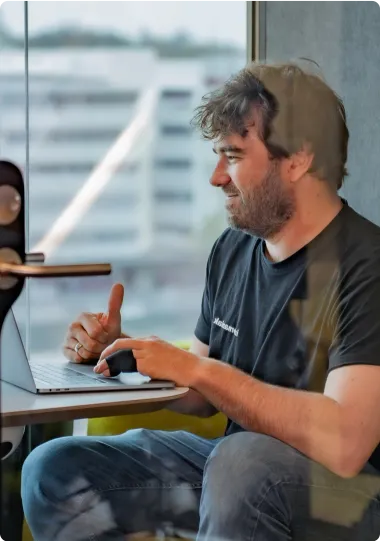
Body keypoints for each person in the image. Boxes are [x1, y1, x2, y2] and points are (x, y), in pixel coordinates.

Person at [21, 62, 380, 541]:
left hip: (349, 499)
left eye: (231, 156)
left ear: (296, 159)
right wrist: (126, 353)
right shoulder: (233, 250)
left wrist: (199, 371)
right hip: (239, 475)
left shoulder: (366, 265)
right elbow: (199, 397)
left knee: (242, 461)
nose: (216, 177)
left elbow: (346, 445)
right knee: (54, 468)